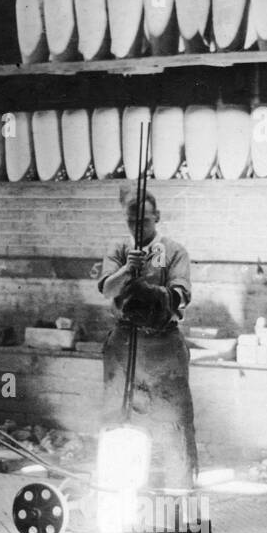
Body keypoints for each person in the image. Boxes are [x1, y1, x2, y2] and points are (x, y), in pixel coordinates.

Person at [96, 189, 198, 494]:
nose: (136, 227)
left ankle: (179, 500)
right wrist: (129, 269)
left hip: (163, 348)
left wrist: (146, 288)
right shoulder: (118, 251)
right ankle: (117, 496)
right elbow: (106, 290)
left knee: (173, 425)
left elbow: (180, 295)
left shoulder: (174, 251)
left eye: (143, 220)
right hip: (125, 345)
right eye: (131, 221)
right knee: (117, 421)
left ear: (157, 218)